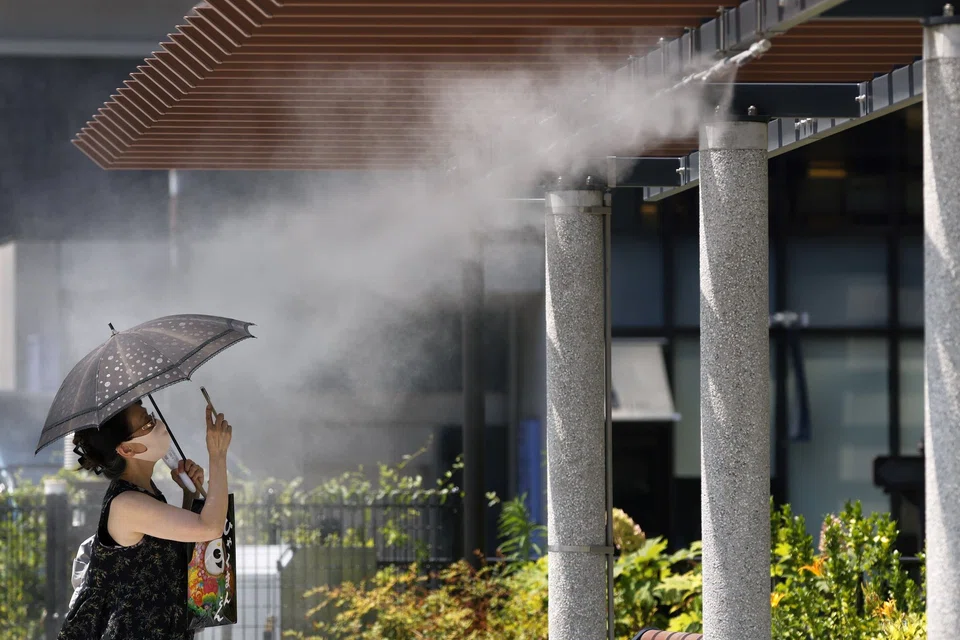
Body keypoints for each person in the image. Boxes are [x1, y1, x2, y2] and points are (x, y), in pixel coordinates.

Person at [57, 398, 232, 640]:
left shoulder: (145, 492)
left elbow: (169, 556)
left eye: (151, 416)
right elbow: (210, 528)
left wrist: (190, 495)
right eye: (147, 423)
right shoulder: (127, 504)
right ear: (126, 449)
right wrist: (218, 455)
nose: (156, 423)